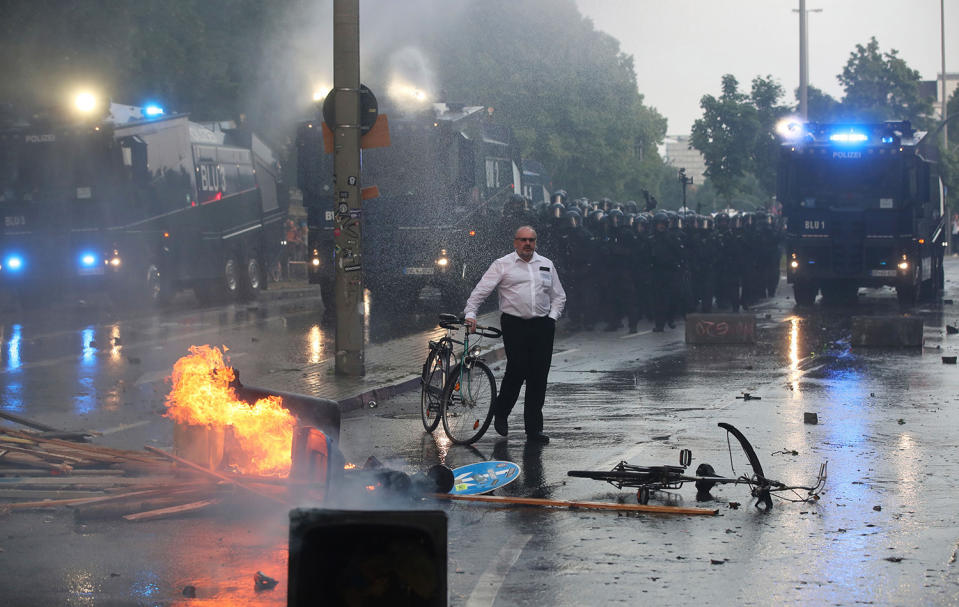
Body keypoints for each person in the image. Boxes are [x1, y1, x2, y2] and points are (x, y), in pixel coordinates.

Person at [463, 226, 566, 443]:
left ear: (535, 242)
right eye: (523, 240)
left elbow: (559, 296)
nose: (527, 244)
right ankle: (501, 411)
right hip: (514, 324)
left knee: (538, 376)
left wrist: (552, 318)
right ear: (515, 242)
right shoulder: (502, 264)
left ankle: (534, 430)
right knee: (517, 369)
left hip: (542, 325)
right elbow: (481, 291)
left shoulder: (546, 264)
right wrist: (471, 313)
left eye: (531, 240)